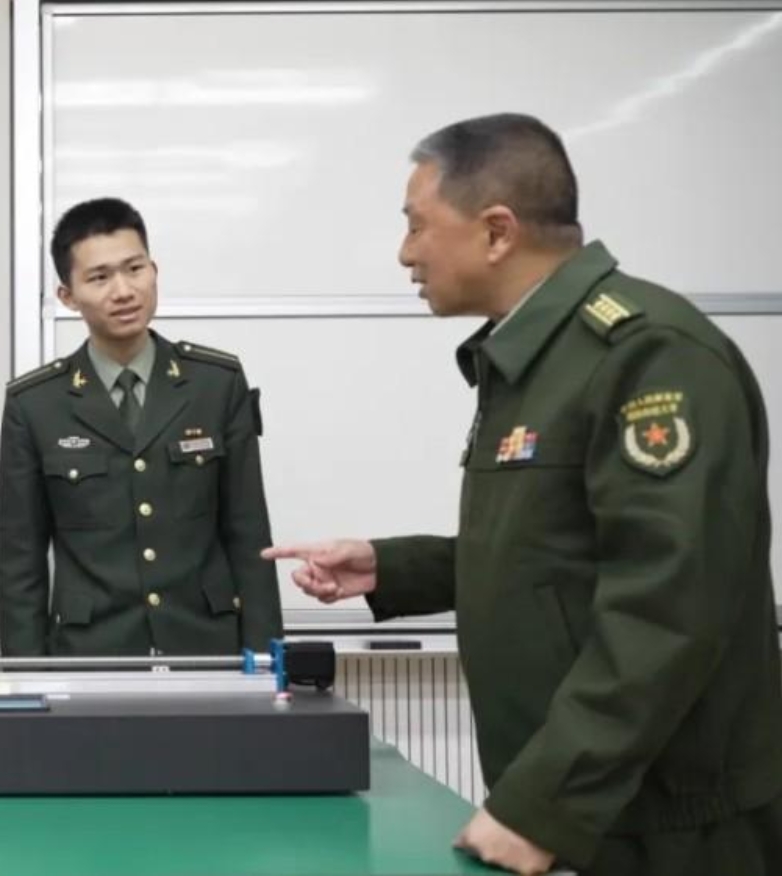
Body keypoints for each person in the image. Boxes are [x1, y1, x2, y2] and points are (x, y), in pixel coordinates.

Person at [266, 113, 782, 875]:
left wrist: (544, 804)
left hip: (668, 826)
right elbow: (552, 553)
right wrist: (390, 567)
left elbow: (669, 605)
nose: (406, 252)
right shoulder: (537, 357)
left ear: (497, 231)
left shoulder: (647, 354)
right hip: (593, 810)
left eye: (417, 225)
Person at [0, 197, 281, 657]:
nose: (124, 290)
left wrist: (266, 661)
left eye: (135, 269)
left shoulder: (215, 384)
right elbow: (19, 564)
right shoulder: (35, 404)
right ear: (67, 296)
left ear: (154, 270)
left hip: (205, 646)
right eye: (99, 277)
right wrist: (28, 679)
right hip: (90, 652)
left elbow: (249, 536)